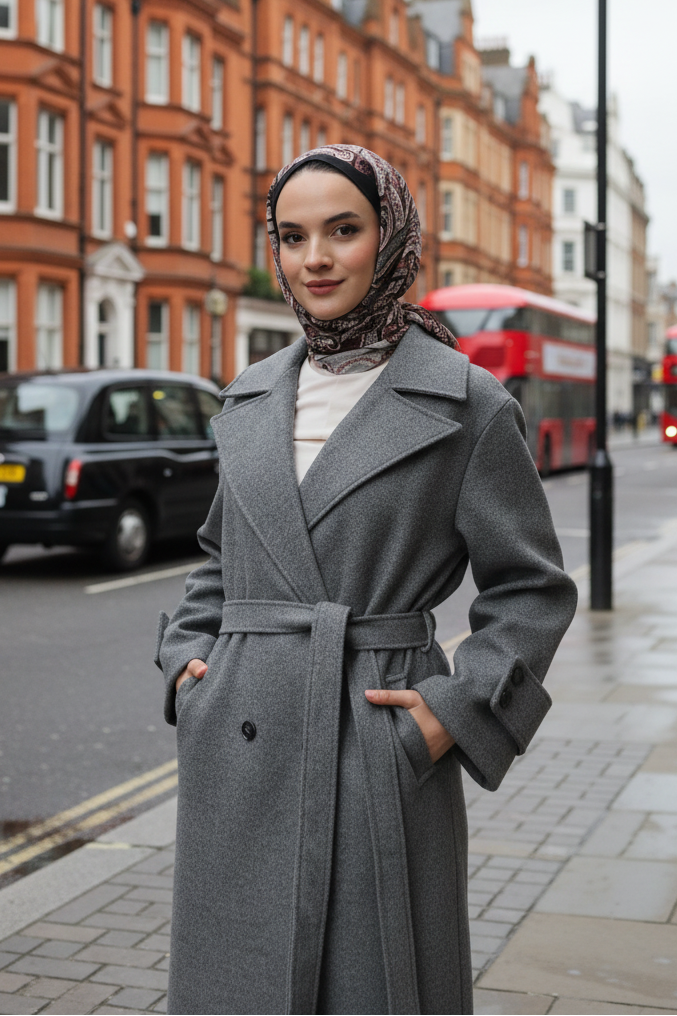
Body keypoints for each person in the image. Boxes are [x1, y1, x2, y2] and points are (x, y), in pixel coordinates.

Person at [155, 145, 577, 1016]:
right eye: (292, 235)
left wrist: (449, 718)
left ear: (389, 236)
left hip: (375, 736)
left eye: (342, 231)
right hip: (237, 746)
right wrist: (186, 668)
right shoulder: (249, 395)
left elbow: (530, 590)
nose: (315, 258)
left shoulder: (466, 402)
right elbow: (218, 560)